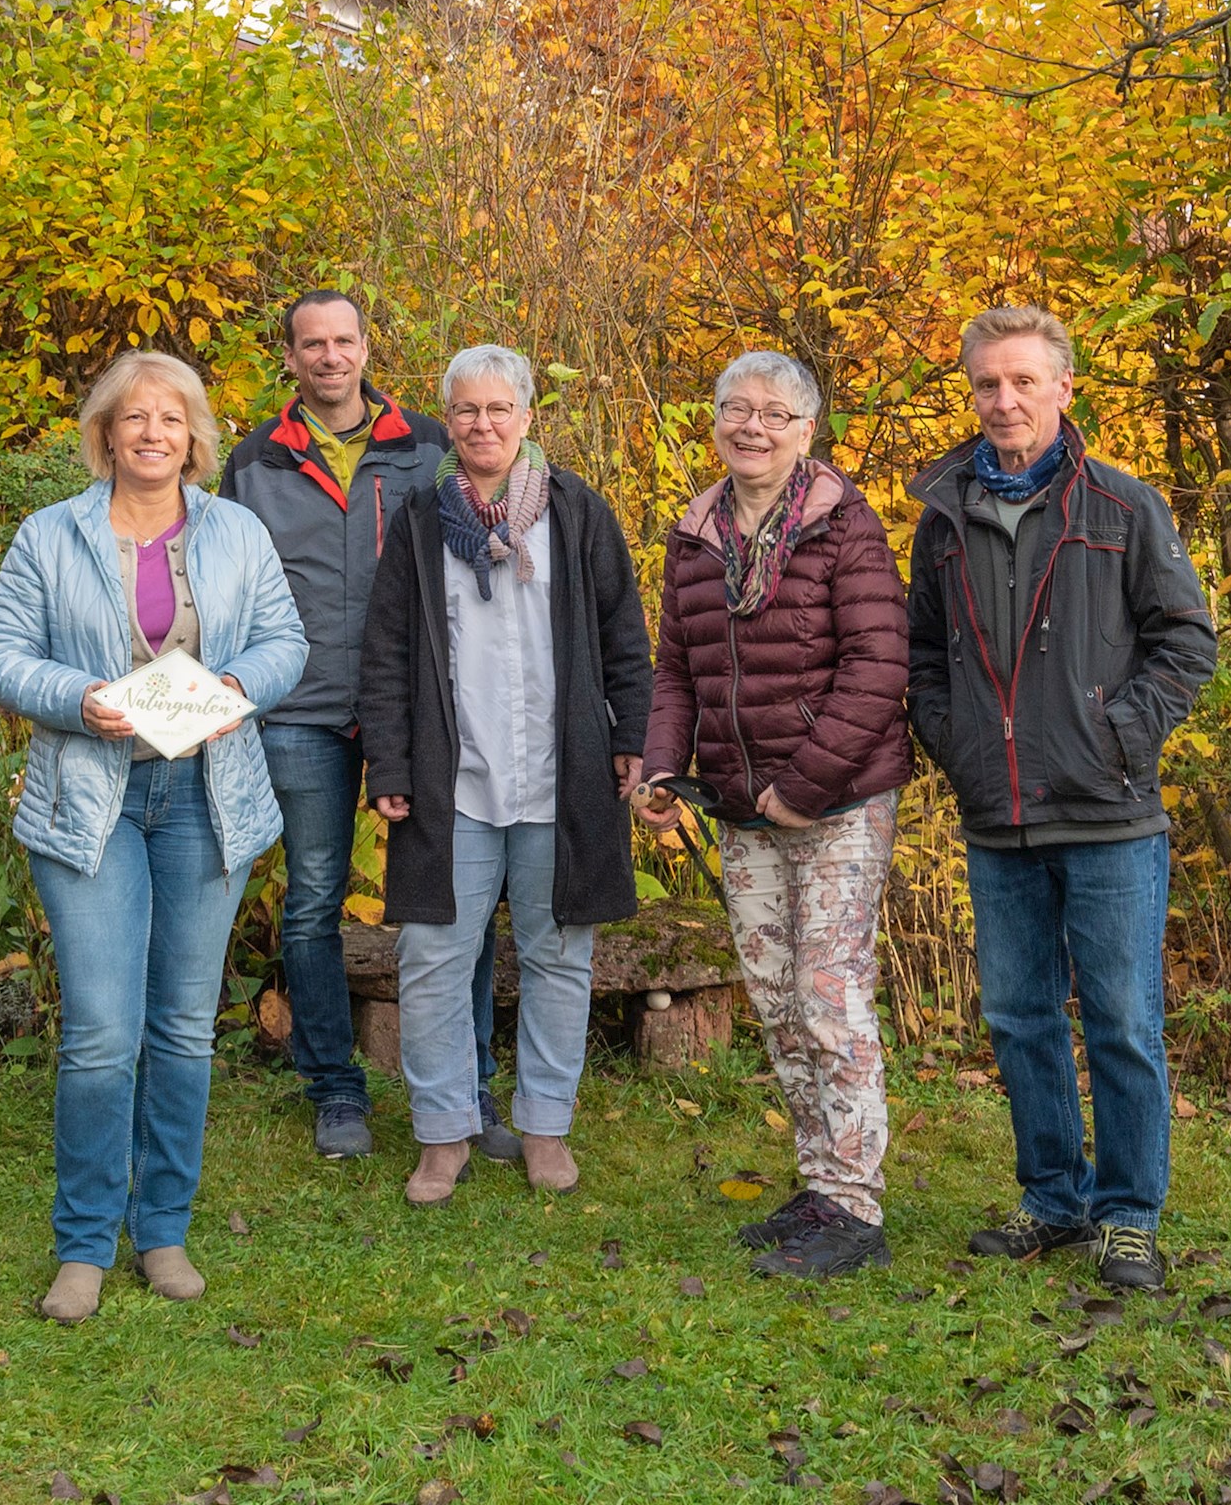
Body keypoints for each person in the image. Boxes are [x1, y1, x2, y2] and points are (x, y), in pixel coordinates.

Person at [0, 353, 309, 1319]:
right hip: (91, 804)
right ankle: (83, 1243)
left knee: (180, 1030)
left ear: (193, 436)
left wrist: (239, 688)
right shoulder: (51, 535)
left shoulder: (237, 532)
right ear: (108, 435)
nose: (152, 434)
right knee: (100, 1035)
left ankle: (162, 1230)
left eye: (170, 419)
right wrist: (78, 700)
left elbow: (285, 642)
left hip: (210, 798)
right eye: (134, 419)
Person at [905, 308, 1220, 1298]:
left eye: (1022, 382)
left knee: (1122, 1021)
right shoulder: (943, 515)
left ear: (1063, 390)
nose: (1004, 401)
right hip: (997, 818)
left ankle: (1129, 1217)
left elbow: (1186, 643)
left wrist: (1117, 734)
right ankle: (1052, 1200)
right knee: (1018, 1018)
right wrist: (951, 741)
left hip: (1107, 816)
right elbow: (923, 657)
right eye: (986, 385)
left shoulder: (1122, 509)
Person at [219, 288, 512, 1161]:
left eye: (343, 340)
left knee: (452, 895)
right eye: (312, 344)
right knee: (312, 899)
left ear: (366, 347)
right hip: (300, 708)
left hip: (421, 709)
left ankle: (471, 1087)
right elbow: (230, 581)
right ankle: (335, 1089)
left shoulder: (426, 444)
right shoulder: (256, 460)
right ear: (291, 356)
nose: (330, 357)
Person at [638, 350, 913, 1278]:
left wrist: (803, 788)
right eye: (734, 410)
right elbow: (677, 670)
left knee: (832, 999)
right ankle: (817, 1187)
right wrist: (663, 772)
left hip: (837, 800)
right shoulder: (695, 535)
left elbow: (878, 667)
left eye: (773, 414)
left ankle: (856, 1207)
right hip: (737, 805)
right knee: (776, 998)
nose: (750, 427)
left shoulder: (844, 527)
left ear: (806, 432)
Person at [357, 345, 653, 1203]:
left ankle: (545, 1127)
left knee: (561, 953)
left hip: (563, 780)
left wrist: (631, 736)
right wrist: (391, 760)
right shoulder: (419, 522)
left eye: (498, 410)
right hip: (455, 783)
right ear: (446, 422)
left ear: (527, 416)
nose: (482, 425)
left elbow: (624, 638)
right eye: (466, 412)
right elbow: (386, 656)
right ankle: (442, 1134)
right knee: (431, 955)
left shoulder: (578, 514)